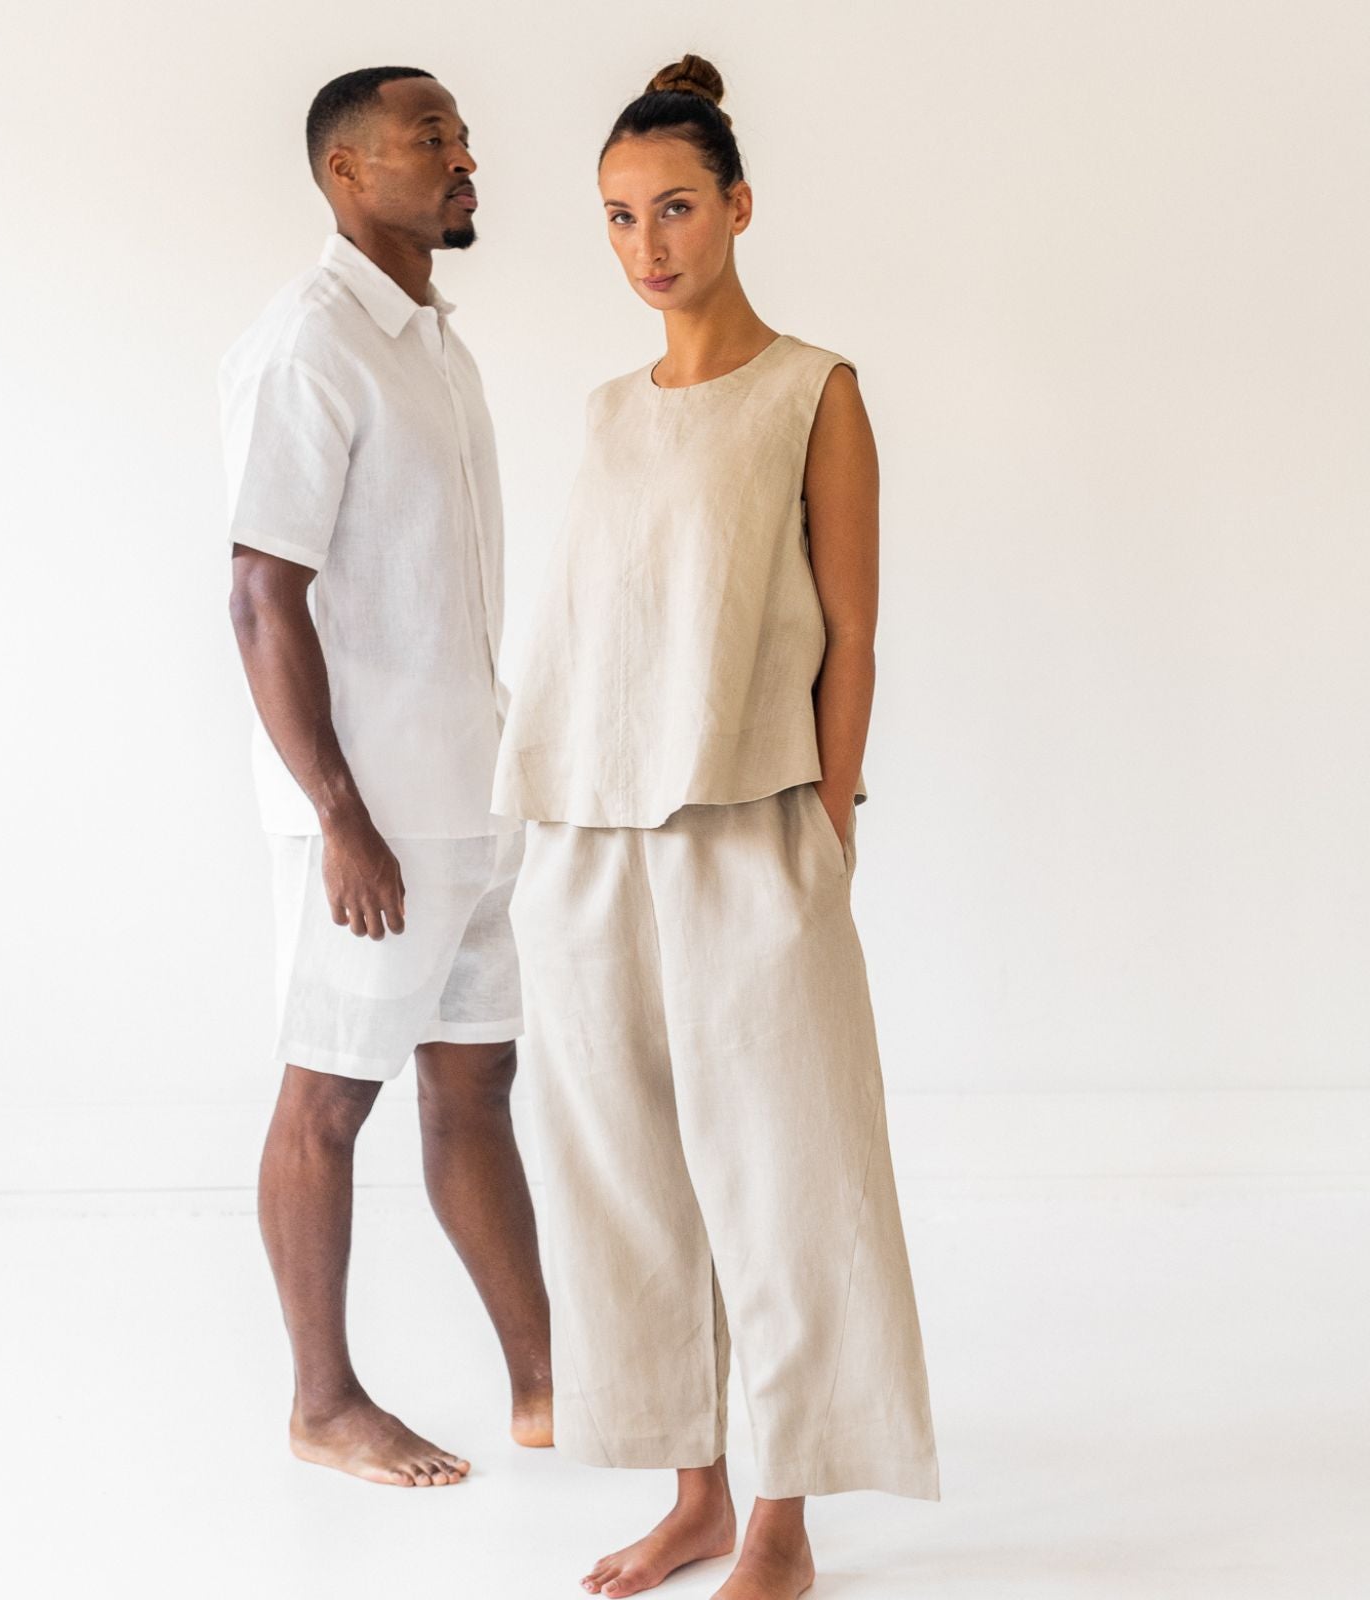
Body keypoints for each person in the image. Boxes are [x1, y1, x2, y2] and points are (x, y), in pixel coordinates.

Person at [492, 53, 940, 1599]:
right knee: (623, 1171)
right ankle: (695, 1494)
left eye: (675, 208)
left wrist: (834, 820)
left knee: (788, 1173)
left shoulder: (815, 390)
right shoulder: (609, 409)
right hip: (585, 838)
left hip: (751, 826)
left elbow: (854, 633)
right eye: (620, 218)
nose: (648, 246)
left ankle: (782, 1527)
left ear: (740, 206)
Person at [220, 66, 551, 1487]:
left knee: (476, 1080)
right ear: (347, 171)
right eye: (432, 139)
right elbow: (260, 595)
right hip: (368, 823)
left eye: (464, 137)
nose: (465, 158)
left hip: (467, 798)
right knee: (329, 1097)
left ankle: (546, 1383)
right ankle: (323, 1404)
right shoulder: (310, 345)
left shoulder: (433, 344)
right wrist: (340, 815)